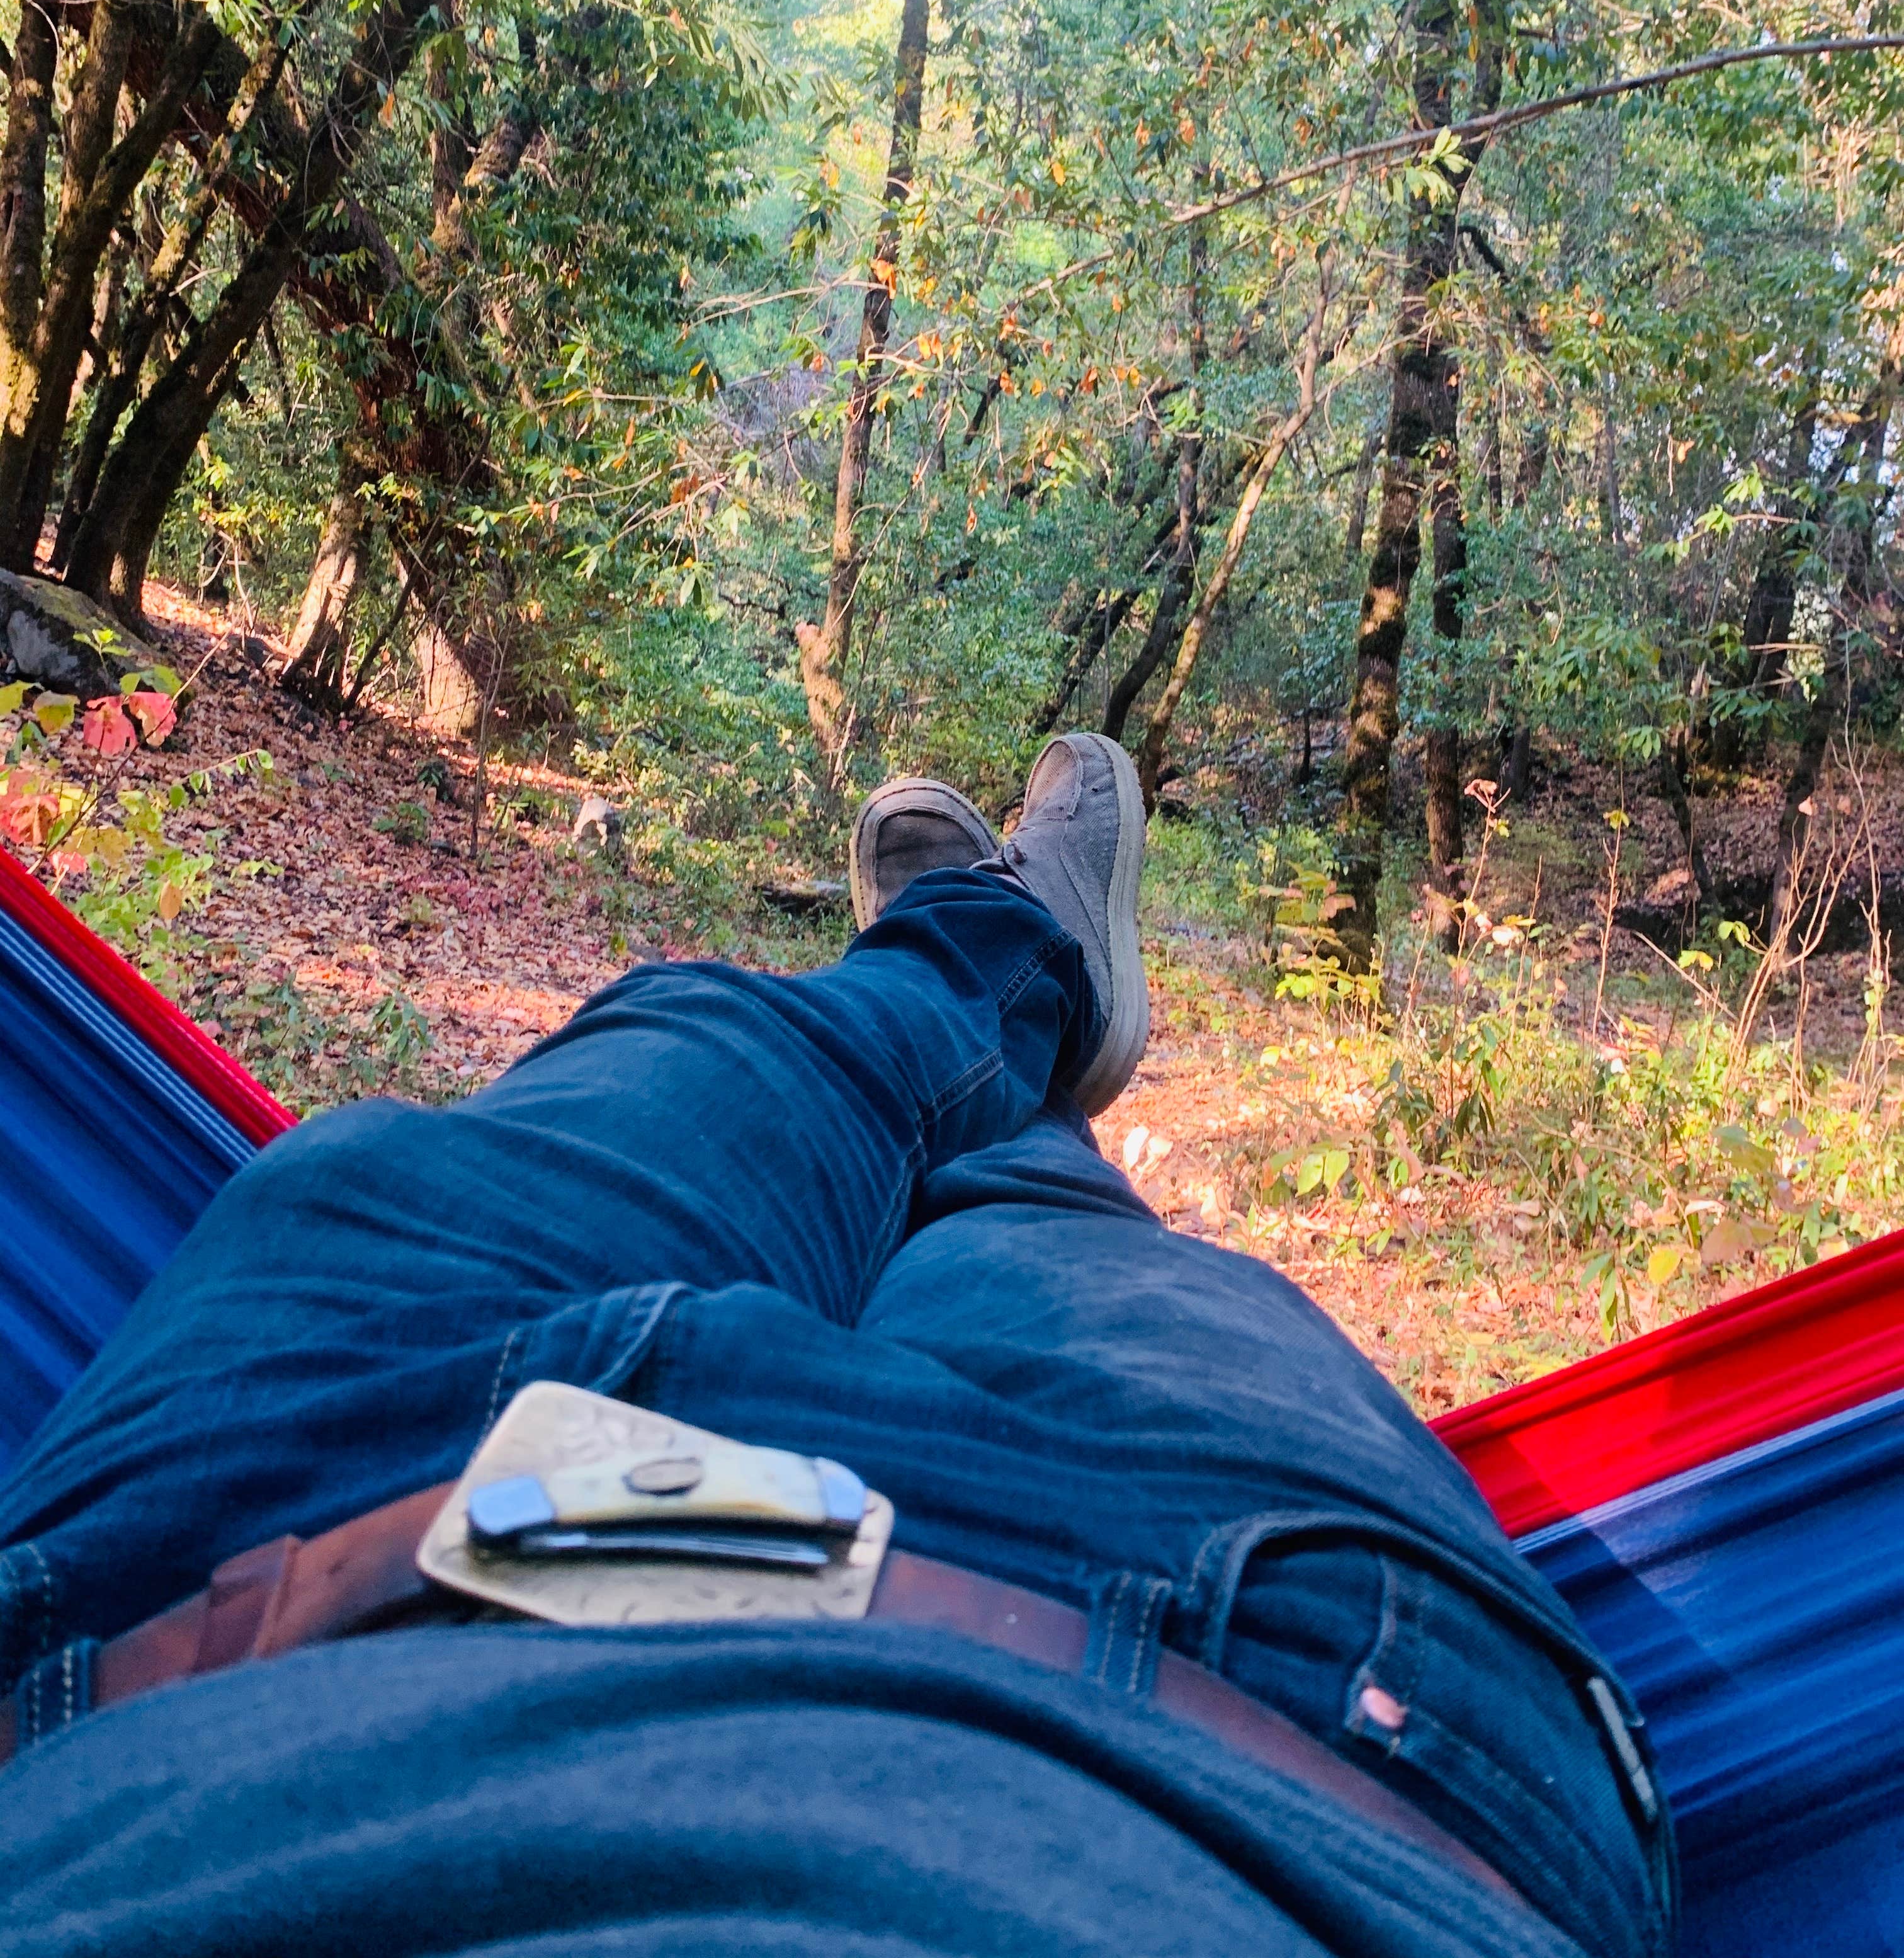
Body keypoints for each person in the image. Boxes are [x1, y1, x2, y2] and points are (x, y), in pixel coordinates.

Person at [0, 734, 1673, 1957]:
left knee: (687, 1029)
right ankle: (1013, 1019)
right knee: (1029, 1228)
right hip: (1229, 1680)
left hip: (250, 1551)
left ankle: (968, 974)